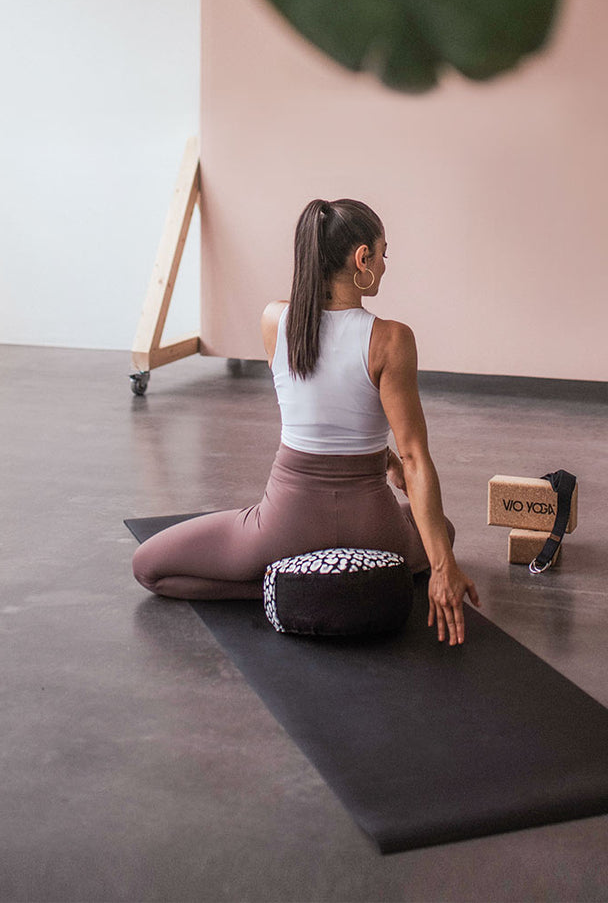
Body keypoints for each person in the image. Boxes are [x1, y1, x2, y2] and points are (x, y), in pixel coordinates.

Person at [132, 198, 480, 644]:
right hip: (374, 530)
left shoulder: (277, 320)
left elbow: (324, 410)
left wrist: (384, 459)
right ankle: (344, 582)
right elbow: (415, 457)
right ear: (362, 259)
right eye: (383, 253)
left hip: (283, 526)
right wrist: (442, 568)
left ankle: (287, 582)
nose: (385, 265)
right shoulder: (392, 339)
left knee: (150, 567)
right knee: (441, 531)